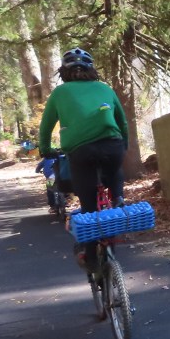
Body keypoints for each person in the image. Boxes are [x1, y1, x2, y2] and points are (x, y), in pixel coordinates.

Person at [38, 47, 129, 270]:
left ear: (64, 72)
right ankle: (118, 199)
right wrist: (123, 146)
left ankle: (90, 257)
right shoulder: (105, 88)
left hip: (81, 151)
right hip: (112, 145)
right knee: (114, 171)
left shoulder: (60, 93)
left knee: (88, 206)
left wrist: (45, 149)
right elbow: (122, 122)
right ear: (91, 70)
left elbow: (46, 126)